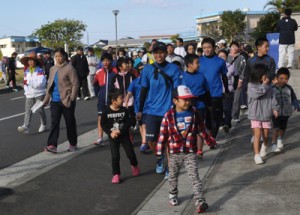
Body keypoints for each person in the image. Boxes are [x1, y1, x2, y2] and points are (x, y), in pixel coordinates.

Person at [156, 85, 215, 213]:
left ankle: (200, 201)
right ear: (175, 100)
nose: (188, 102)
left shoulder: (194, 113)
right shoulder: (168, 116)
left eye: (190, 99)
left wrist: (209, 140)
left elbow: (201, 128)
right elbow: (163, 135)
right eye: (185, 99)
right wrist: (159, 152)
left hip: (190, 151)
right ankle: (173, 193)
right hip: (174, 152)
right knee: (173, 176)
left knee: (194, 176)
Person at [137, 42, 181, 174]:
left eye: (161, 52)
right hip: (151, 111)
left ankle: (169, 168)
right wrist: (139, 109)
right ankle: (159, 158)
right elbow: (143, 90)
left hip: (168, 111)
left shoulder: (174, 69)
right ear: (152, 54)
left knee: (168, 141)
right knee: (151, 141)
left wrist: (177, 107)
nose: (159, 55)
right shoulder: (147, 69)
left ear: (166, 53)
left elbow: (176, 89)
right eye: (156, 52)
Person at [43, 47, 79, 153]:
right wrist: (46, 100)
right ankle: (52, 145)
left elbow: (75, 84)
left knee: (70, 123)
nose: (58, 58)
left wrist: (72, 98)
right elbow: (50, 85)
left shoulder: (69, 68)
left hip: (67, 100)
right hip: (54, 101)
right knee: (54, 124)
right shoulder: (52, 69)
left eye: (60, 56)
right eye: (56, 56)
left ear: (64, 56)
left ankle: (72, 143)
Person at [101, 89, 140, 184]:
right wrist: (110, 133)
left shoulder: (124, 110)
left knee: (131, 154)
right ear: (113, 101)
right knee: (115, 157)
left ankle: (134, 165)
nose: (123, 100)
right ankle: (116, 174)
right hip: (113, 137)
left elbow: (129, 122)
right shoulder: (106, 111)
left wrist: (120, 131)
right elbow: (103, 124)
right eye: (120, 98)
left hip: (124, 136)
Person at [182, 54, 215, 157]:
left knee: (199, 127)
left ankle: (199, 150)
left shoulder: (201, 76)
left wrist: (209, 104)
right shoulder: (183, 77)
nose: (199, 65)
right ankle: (189, 147)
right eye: (197, 63)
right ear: (189, 65)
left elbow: (206, 91)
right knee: (188, 128)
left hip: (201, 105)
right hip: (187, 106)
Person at [247, 64, 279, 165]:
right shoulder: (251, 85)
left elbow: (272, 98)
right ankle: (256, 155)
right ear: (258, 74)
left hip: (266, 113)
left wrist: (275, 108)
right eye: (264, 74)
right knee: (257, 134)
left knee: (265, 134)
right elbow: (257, 94)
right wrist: (265, 85)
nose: (266, 76)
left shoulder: (269, 87)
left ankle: (264, 146)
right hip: (255, 114)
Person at [199, 37, 229, 139]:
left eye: (209, 47)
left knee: (215, 117)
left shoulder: (220, 61)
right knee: (206, 118)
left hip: (216, 93)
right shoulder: (198, 61)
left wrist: (227, 90)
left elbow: (224, 76)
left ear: (214, 48)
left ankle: (213, 138)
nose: (207, 50)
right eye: (204, 48)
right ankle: (209, 133)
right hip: (202, 93)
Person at [17, 52, 47, 134]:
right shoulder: (26, 71)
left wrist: (30, 83)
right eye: (29, 60)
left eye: (32, 60)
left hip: (39, 93)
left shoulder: (40, 70)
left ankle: (43, 124)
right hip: (29, 94)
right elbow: (26, 83)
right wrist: (26, 88)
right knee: (28, 110)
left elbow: (41, 82)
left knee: (40, 109)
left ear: (36, 62)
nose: (30, 62)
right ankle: (26, 126)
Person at [271, 67, 299, 152]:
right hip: (275, 113)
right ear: (277, 78)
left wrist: (296, 105)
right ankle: (273, 144)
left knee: (283, 128)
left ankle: (280, 139)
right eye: (281, 78)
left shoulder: (289, 89)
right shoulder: (272, 89)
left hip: (286, 113)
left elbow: (294, 99)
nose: (283, 80)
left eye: (286, 79)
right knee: (276, 128)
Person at [94, 53, 118, 146]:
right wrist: (98, 93)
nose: (106, 62)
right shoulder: (99, 72)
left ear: (111, 61)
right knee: (100, 118)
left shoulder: (116, 71)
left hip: (113, 100)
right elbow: (95, 84)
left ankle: (115, 136)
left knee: (114, 119)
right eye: (103, 60)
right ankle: (100, 138)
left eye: (107, 60)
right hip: (101, 100)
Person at [112, 58, 136, 142]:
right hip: (120, 102)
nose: (128, 65)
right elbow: (113, 90)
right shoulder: (115, 77)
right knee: (123, 120)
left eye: (128, 63)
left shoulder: (131, 75)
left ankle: (131, 130)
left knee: (131, 118)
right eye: (125, 64)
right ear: (120, 67)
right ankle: (128, 136)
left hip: (131, 101)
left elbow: (136, 88)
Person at [218, 49, 238, 132]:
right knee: (219, 109)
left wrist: (234, 86)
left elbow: (236, 76)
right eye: (220, 57)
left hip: (228, 91)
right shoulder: (215, 67)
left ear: (226, 57)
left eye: (223, 56)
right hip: (217, 91)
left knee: (227, 109)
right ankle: (222, 123)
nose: (222, 58)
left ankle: (227, 124)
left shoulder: (231, 66)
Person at [227, 41, 246, 122]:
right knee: (228, 99)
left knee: (236, 99)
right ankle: (228, 116)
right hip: (227, 82)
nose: (234, 48)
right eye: (232, 46)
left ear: (238, 48)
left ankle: (235, 116)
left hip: (237, 81)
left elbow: (244, 70)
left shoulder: (241, 58)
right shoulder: (227, 57)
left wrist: (241, 80)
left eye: (236, 46)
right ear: (230, 47)